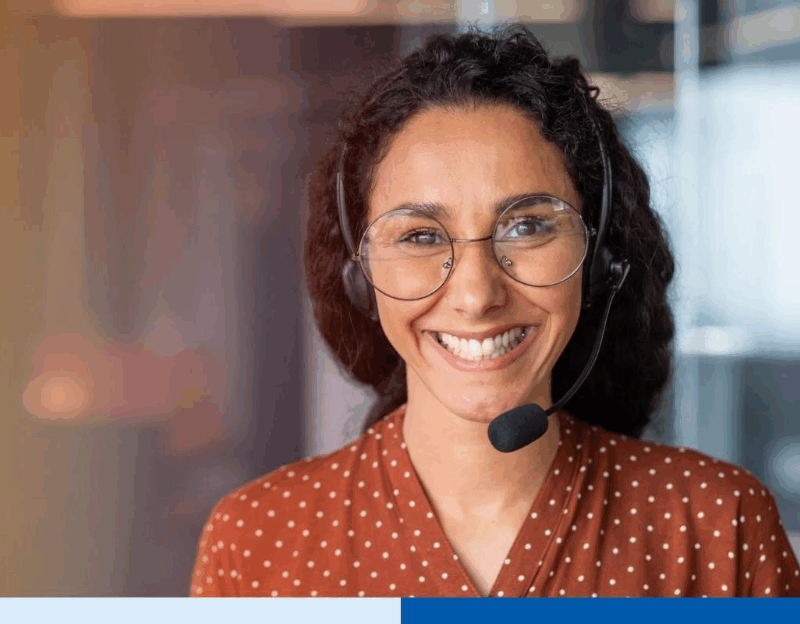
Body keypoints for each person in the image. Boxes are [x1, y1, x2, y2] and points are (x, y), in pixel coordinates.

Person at [190, 25, 800, 597]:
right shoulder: (256, 542)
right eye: (421, 236)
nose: (477, 295)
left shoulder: (719, 527)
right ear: (360, 277)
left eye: (528, 226)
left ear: (599, 260)